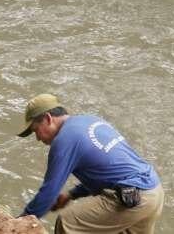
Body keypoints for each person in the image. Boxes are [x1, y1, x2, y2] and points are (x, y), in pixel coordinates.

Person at [18, 94, 164, 234]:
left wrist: (19, 223)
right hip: (153, 192)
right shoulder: (90, 120)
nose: (37, 138)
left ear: (48, 118)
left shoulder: (64, 140)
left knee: (68, 222)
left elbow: (49, 192)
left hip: (133, 197)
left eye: (36, 130)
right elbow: (110, 171)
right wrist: (71, 194)